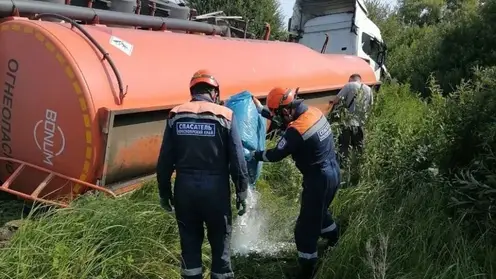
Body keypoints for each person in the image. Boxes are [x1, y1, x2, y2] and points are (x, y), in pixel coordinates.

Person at [156, 69, 249, 279]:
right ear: (214, 92)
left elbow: (164, 162)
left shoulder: (175, 115)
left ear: (193, 90)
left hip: (185, 192)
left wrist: (164, 193)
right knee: (220, 245)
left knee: (189, 248)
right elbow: (238, 160)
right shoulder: (225, 115)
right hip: (216, 192)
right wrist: (241, 193)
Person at [249, 87, 341, 279]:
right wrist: (262, 110)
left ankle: (307, 271)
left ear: (286, 110)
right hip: (333, 173)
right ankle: (335, 243)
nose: (277, 117)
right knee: (321, 213)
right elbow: (284, 123)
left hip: (318, 180)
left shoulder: (296, 130)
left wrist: (254, 155)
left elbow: (275, 155)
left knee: (304, 231)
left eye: (277, 113)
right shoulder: (313, 112)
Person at [329, 73, 374, 165]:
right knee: (358, 147)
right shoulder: (369, 90)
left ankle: (343, 165)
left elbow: (337, 100)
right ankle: (357, 166)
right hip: (361, 124)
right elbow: (371, 106)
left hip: (348, 123)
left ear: (351, 79)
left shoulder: (349, 86)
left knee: (344, 146)